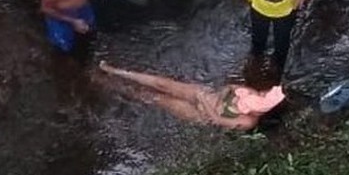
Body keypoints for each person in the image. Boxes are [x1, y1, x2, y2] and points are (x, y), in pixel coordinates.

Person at [96, 61, 286, 130]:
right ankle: (116, 71)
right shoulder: (251, 93)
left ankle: (112, 85)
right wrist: (216, 97)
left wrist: (205, 103)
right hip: (206, 96)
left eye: (266, 96)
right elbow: (229, 87)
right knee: (162, 83)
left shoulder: (247, 122)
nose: (263, 93)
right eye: (265, 92)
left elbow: (216, 120)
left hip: (200, 114)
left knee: (154, 98)